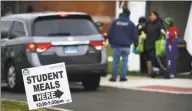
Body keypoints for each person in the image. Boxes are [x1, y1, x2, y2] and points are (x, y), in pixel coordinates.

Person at [107, 8, 138, 82]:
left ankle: (113, 77)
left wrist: (111, 42)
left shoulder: (115, 22)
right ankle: (122, 77)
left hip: (116, 45)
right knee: (125, 61)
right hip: (126, 46)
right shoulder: (131, 23)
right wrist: (136, 45)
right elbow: (135, 36)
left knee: (115, 62)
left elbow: (110, 33)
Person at [145, 11, 166, 75]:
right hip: (148, 44)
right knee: (150, 58)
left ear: (155, 16)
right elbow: (146, 31)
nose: (150, 16)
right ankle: (153, 72)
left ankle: (162, 71)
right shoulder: (148, 23)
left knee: (155, 58)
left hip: (156, 45)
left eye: (151, 15)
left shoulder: (159, 23)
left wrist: (163, 32)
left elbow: (162, 30)